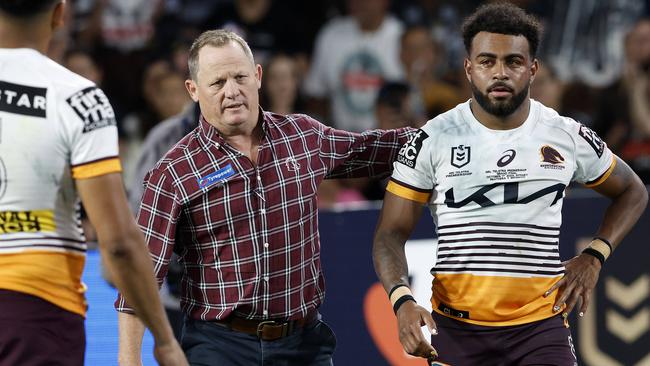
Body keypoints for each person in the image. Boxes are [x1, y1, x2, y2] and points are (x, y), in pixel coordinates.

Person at [372, 3, 648, 365]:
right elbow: (389, 235)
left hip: (540, 329)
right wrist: (402, 300)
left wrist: (595, 255)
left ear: (532, 69)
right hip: (456, 331)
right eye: (487, 61)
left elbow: (633, 191)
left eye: (513, 62)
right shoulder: (432, 139)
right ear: (469, 68)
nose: (500, 73)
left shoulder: (566, 135)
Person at [116, 29, 412, 365]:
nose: (232, 91)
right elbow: (139, 277)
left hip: (304, 344)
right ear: (193, 90)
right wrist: (129, 359)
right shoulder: (173, 173)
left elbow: (376, 149)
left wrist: (456, 131)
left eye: (240, 76)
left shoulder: (302, 136)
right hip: (219, 346)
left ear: (257, 76)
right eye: (217, 82)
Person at [0, 1, 187, 366]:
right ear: (60, 14)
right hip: (37, 311)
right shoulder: (79, 99)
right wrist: (164, 340)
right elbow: (117, 241)